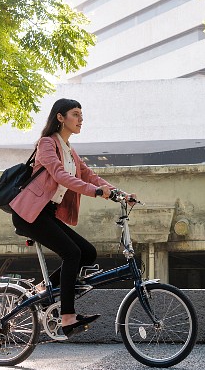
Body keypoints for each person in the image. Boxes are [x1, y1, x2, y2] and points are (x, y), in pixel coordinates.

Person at [8, 98, 135, 339]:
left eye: (81, 115)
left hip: (45, 214)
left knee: (87, 252)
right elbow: (59, 175)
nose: (80, 119)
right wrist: (94, 192)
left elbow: (91, 176)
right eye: (75, 114)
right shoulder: (47, 144)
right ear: (60, 117)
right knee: (72, 253)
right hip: (29, 214)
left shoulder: (70, 151)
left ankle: (44, 288)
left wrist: (121, 194)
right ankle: (67, 317)